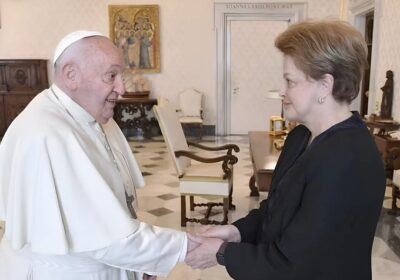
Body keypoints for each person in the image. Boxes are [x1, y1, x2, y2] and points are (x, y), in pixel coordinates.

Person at [185, 19, 386, 280]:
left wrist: (223, 253)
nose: (282, 91)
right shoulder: (300, 137)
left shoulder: (348, 159)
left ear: (325, 85)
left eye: (290, 81)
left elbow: (295, 265)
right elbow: (275, 211)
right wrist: (235, 232)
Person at [0, 31, 196, 280]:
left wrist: (141, 264)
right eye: (111, 76)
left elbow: (113, 210)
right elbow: (105, 239)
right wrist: (187, 247)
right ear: (71, 75)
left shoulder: (93, 114)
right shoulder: (47, 134)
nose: (122, 88)